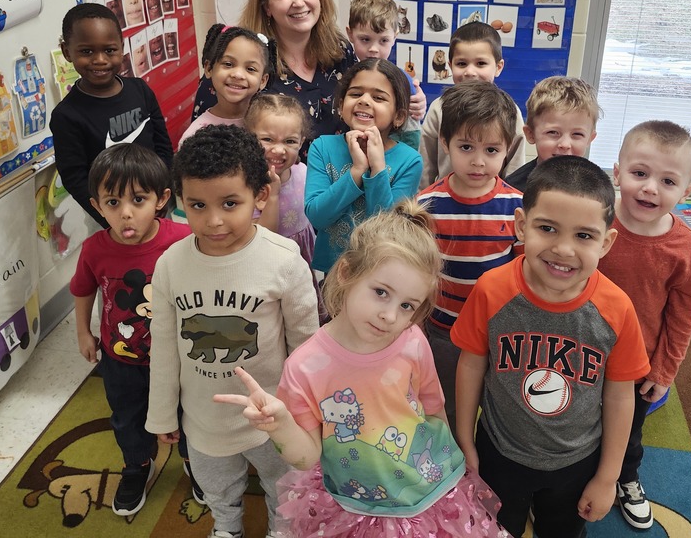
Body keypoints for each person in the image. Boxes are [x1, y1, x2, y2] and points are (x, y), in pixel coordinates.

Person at [212, 201, 511, 538]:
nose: (390, 316)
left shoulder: (411, 339)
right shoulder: (304, 368)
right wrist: (279, 425)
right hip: (354, 501)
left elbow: (433, 408)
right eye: (381, 292)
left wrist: (454, 457)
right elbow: (306, 457)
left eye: (407, 305)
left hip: (430, 488)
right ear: (346, 272)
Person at [451, 156, 650, 538]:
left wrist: (608, 477)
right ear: (521, 225)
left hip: (577, 461)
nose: (563, 249)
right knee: (494, 531)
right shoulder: (492, 290)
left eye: (584, 236)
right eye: (547, 228)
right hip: (499, 451)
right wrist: (465, 439)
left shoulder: (617, 309)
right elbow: (472, 365)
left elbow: (620, 395)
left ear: (606, 243)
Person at [146, 124, 319, 538]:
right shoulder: (171, 264)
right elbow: (165, 346)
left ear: (260, 195)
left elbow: (306, 344)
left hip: (272, 411)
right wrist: (162, 412)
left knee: (285, 482)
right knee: (215, 483)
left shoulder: (283, 260)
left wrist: (307, 412)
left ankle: (283, 527)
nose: (214, 220)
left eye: (229, 203)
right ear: (180, 202)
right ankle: (226, 525)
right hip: (204, 416)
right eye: (198, 205)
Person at [70, 144, 196, 516]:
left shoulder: (182, 239)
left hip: (179, 356)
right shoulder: (94, 249)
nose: (125, 213)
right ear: (97, 206)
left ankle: (195, 460)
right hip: (121, 359)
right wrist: (83, 332)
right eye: (113, 202)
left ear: (162, 199)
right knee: (127, 416)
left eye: (138, 200)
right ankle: (138, 465)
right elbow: (83, 289)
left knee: (189, 411)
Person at [598, 120, 691, 531]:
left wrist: (664, 370)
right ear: (617, 172)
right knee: (570, 423)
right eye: (639, 173)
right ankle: (572, 480)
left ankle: (626, 478)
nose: (650, 189)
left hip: (636, 362)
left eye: (668, 181)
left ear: (686, 192)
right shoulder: (597, 222)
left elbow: (684, 312)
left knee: (628, 432)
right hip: (578, 350)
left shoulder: (684, 247)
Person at [416, 81, 523, 427]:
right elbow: (419, 273)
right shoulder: (425, 206)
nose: (478, 162)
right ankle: (453, 455)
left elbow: (522, 273)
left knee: (498, 410)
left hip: (498, 333)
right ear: (445, 143)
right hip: (444, 330)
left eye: (492, 150)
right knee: (445, 408)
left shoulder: (518, 207)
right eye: (466, 147)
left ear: (508, 147)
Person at [50, 3, 173, 227]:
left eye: (109, 50)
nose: (100, 59)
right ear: (67, 52)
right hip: (110, 219)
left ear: (121, 47)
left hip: (156, 207)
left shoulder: (140, 90)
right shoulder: (66, 116)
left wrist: (158, 200)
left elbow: (163, 146)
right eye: (87, 51)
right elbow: (75, 178)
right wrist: (112, 219)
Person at [305, 59, 422, 274]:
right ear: (341, 105)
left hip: (380, 270)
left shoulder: (410, 161)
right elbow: (317, 217)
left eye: (378, 97)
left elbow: (388, 231)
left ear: (398, 116)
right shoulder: (322, 147)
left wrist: (377, 168)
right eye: (356, 93)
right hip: (331, 271)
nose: (364, 101)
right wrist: (357, 171)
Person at [243, 0, 357, 144]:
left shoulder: (340, 50)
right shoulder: (246, 61)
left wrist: (407, 100)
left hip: (344, 164)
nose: (298, 2)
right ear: (267, 7)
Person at [418, 22, 525, 189]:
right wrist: (422, 199)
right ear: (450, 66)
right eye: (461, 64)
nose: (470, 72)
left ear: (498, 67)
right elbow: (426, 165)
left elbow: (515, 169)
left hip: (493, 201)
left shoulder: (509, 110)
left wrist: (509, 201)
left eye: (481, 63)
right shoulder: (438, 109)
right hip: (445, 199)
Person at [345, 0, 426, 148]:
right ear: (350, 34)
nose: (374, 49)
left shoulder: (402, 81)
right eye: (365, 39)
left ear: (394, 37)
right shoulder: (344, 74)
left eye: (383, 41)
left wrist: (402, 158)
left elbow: (412, 132)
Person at [246, 93, 316, 267]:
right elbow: (263, 241)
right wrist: (273, 194)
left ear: (301, 142)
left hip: (301, 259)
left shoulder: (303, 172)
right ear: (249, 137)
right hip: (269, 263)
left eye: (289, 141)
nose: (278, 150)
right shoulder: (245, 186)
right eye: (267, 139)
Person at [505, 76, 600, 191]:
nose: (565, 144)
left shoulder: (597, 189)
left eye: (577, 134)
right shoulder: (511, 191)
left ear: (590, 138)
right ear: (530, 134)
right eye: (553, 132)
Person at [179, 26, 269, 146]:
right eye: (228, 64)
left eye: (250, 69)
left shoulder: (271, 124)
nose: (238, 75)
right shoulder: (196, 136)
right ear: (209, 68)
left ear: (263, 80)